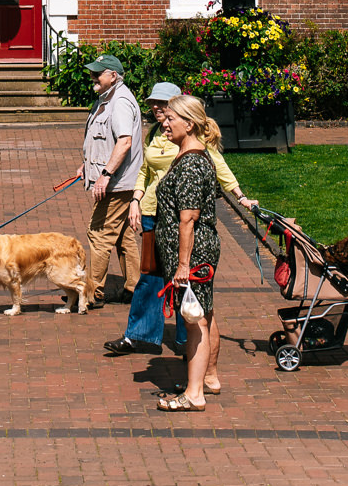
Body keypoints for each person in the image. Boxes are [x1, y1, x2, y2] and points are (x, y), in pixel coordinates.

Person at [107, 85, 257, 364]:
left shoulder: (192, 144)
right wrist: (136, 200)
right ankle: (139, 335)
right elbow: (144, 170)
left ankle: (187, 344)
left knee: (183, 284)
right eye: (153, 104)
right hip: (153, 212)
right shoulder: (155, 133)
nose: (156, 110)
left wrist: (241, 196)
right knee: (151, 278)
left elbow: (219, 168)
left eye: (163, 105)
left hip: (178, 218)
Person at [153, 93, 224, 412]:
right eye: (165, 118)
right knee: (200, 315)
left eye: (171, 119)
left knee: (196, 320)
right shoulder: (190, 155)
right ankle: (202, 381)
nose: (164, 123)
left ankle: (195, 393)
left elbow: (188, 218)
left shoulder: (194, 162)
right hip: (191, 252)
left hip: (193, 254)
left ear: (189, 124)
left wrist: (183, 265)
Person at [74, 54, 141, 310]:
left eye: (98, 73)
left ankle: (94, 292)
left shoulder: (120, 101)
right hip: (115, 181)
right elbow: (105, 141)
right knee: (123, 236)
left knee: (99, 233)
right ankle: (135, 288)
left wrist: (106, 174)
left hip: (118, 184)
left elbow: (124, 141)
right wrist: (88, 164)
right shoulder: (106, 99)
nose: (93, 77)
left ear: (113, 76)